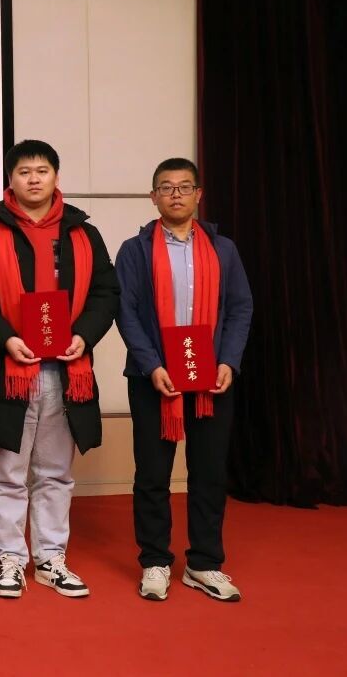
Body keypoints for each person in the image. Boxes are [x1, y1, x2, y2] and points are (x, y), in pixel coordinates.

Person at [0, 140, 119, 598]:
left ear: (55, 177)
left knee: (55, 473)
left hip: (67, 370)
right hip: (7, 369)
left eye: (41, 170)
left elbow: (106, 292)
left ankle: (50, 558)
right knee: (6, 473)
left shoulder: (83, 233)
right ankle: (9, 559)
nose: (33, 179)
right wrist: (6, 337)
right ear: (10, 179)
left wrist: (84, 335)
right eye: (24, 171)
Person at [115, 157, 253, 602]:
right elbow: (126, 311)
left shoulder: (223, 249)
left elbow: (240, 307)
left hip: (211, 378)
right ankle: (155, 560)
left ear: (199, 194)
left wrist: (229, 361)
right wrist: (151, 364)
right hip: (153, 378)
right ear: (153, 197)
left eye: (184, 186)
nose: (176, 194)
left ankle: (204, 563)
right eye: (166, 187)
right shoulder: (134, 250)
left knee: (209, 473)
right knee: (153, 475)